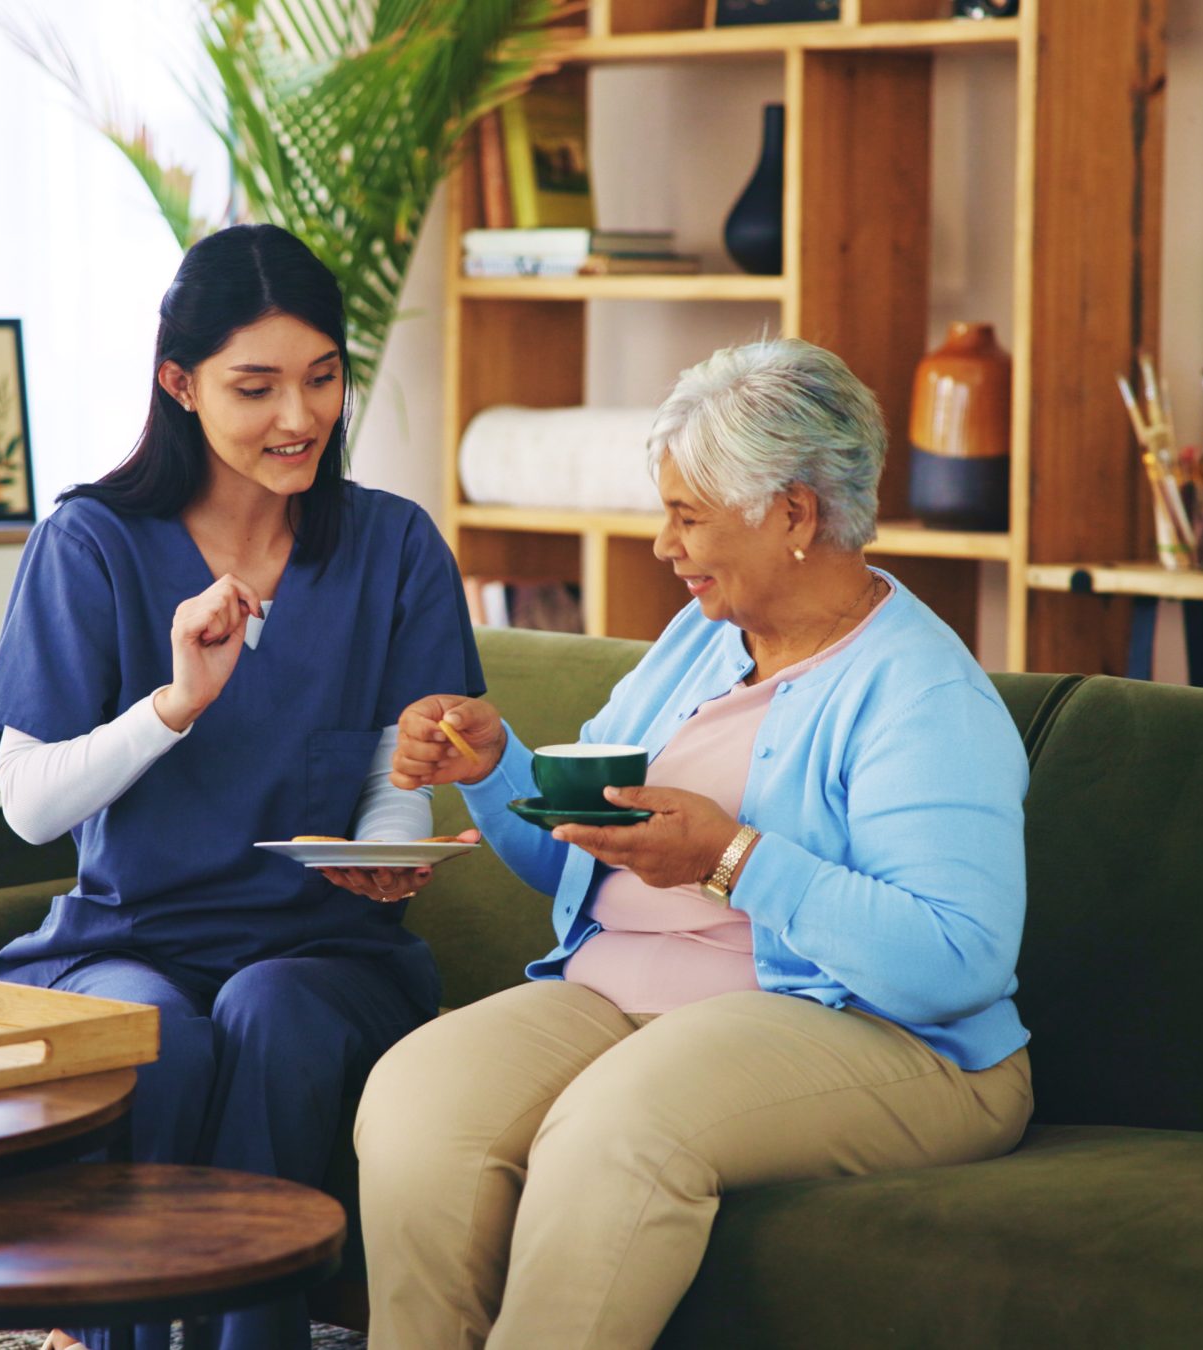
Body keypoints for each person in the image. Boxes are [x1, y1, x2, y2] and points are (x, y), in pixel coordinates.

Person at [357, 338, 1034, 1350]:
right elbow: (580, 852)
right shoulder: (703, 638)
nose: (664, 547)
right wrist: (497, 771)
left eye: (687, 518)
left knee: (616, 1130)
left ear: (794, 514)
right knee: (419, 1098)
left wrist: (731, 858)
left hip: (884, 1037)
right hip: (623, 1000)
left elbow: (955, 960)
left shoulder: (919, 693)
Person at [0, 223, 483, 1350]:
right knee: (148, 1032)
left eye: (321, 379)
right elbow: (31, 803)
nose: (298, 418)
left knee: (269, 1009)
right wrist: (174, 705)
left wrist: (391, 850)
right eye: (255, 387)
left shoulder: (392, 546)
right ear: (179, 385)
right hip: (126, 937)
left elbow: (393, 763)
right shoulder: (90, 544)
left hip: (324, 953)